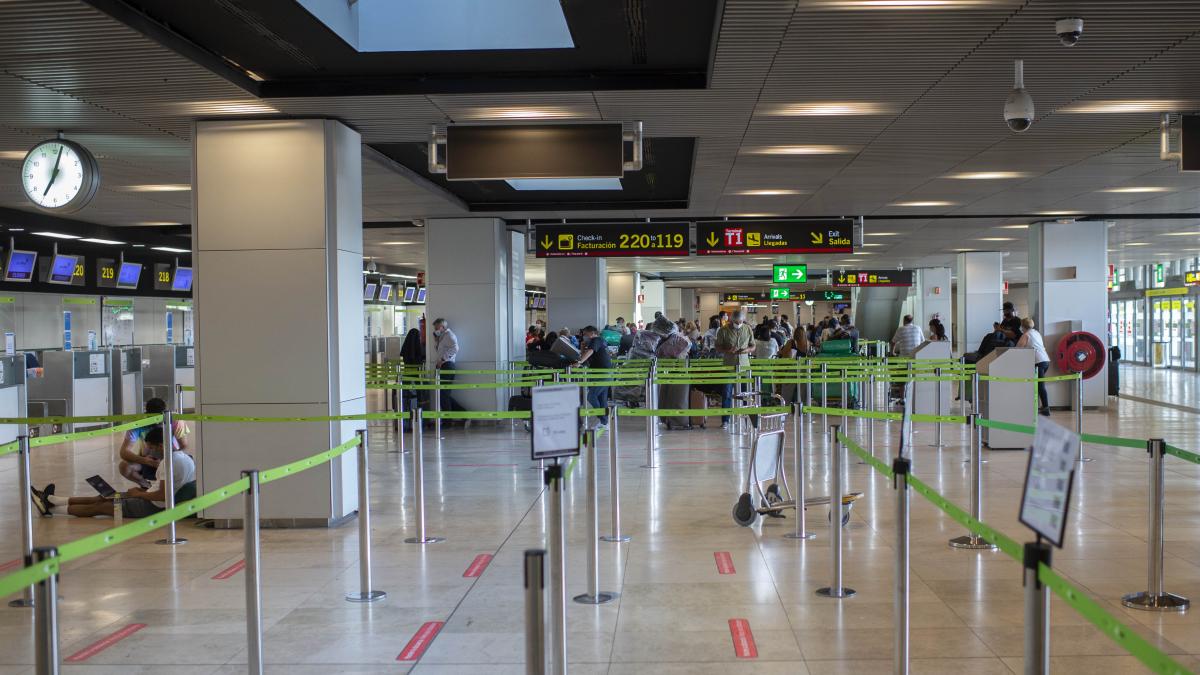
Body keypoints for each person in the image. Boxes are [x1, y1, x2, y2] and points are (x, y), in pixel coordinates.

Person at [31, 428, 196, 519]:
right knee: (104, 497)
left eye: (151, 447)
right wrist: (142, 491)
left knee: (101, 507)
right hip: (150, 498)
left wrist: (139, 494)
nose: (149, 452)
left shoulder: (169, 462)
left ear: (160, 445)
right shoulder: (185, 458)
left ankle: (51, 510)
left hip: (151, 506)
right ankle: (51, 500)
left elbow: (162, 496)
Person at [118, 398, 190, 488]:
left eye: (159, 419)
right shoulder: (138, 423)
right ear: (147, 414)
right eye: (153, 419)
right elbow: (124, 452)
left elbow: (184, 446)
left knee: (182, 466)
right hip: (147, 460)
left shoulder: (175, 419)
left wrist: (169, 460)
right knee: (124, 467)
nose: (156, 422)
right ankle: (145, 485)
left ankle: (172, 487)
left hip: (171, 458)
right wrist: (145, 461)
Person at [715, 310, 754, 428]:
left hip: (744, 366)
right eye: (736, 322)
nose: (739, 323)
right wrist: (728, 350)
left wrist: (747, 350)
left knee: (746, 393)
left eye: (741, 321)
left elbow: (753, 345)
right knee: (726, 393)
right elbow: (717, 347)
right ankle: (725, 420)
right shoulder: (723, 330)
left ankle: (747, 418)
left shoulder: (747, 329)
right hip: (729, 365)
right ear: (732, 320)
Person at [574, 326, 612, 430]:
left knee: (591, 396)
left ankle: (602, 417)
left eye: (586, 334)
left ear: (592, 333)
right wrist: (582, 348)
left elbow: (590, 351)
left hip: (603, 374)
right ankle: (604, 422)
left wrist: (579, 362)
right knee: (602, 398)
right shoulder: (599, 341)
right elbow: (587, 355)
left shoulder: (596, 340)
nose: (584, 336)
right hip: (601, 373)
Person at [1017, 317, 1051, 416]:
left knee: (1040, 386)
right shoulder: (1036, 333)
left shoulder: (1026, 335)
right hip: (1045, 360)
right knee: (1037, 385)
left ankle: (1046, 408)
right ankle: (1040, 407)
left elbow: (1018, 348)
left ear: (1022, 326)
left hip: (1038, 362)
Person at [431, 318, 464, 412]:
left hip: (447, 366)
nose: (435, 330)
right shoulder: (443, 336)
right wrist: (436, 341)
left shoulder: (449, 335)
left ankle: (448, 417)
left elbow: (455, 348)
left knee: (442, 394)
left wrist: (442, 359)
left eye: (436, 328)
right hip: (443, 366)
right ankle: (463, 414)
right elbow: (440, 351)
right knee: (443, 394)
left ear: (442, 327)